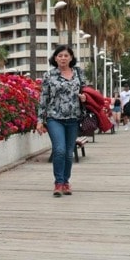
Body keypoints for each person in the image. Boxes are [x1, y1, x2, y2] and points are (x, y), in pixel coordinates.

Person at [36, 44, 87, 197]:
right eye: (60, 56)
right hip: (54, 118)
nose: (63, 58)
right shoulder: (49, 76)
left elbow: (85, 92)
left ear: (71, 58)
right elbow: (43, 99)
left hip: (73, 118)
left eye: (66, 55)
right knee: (59, 150)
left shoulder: (79, 73)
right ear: (55, 58)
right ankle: (58, 183)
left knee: (68, 153)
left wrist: (84, 98)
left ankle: (66, 182)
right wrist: (39, 120)